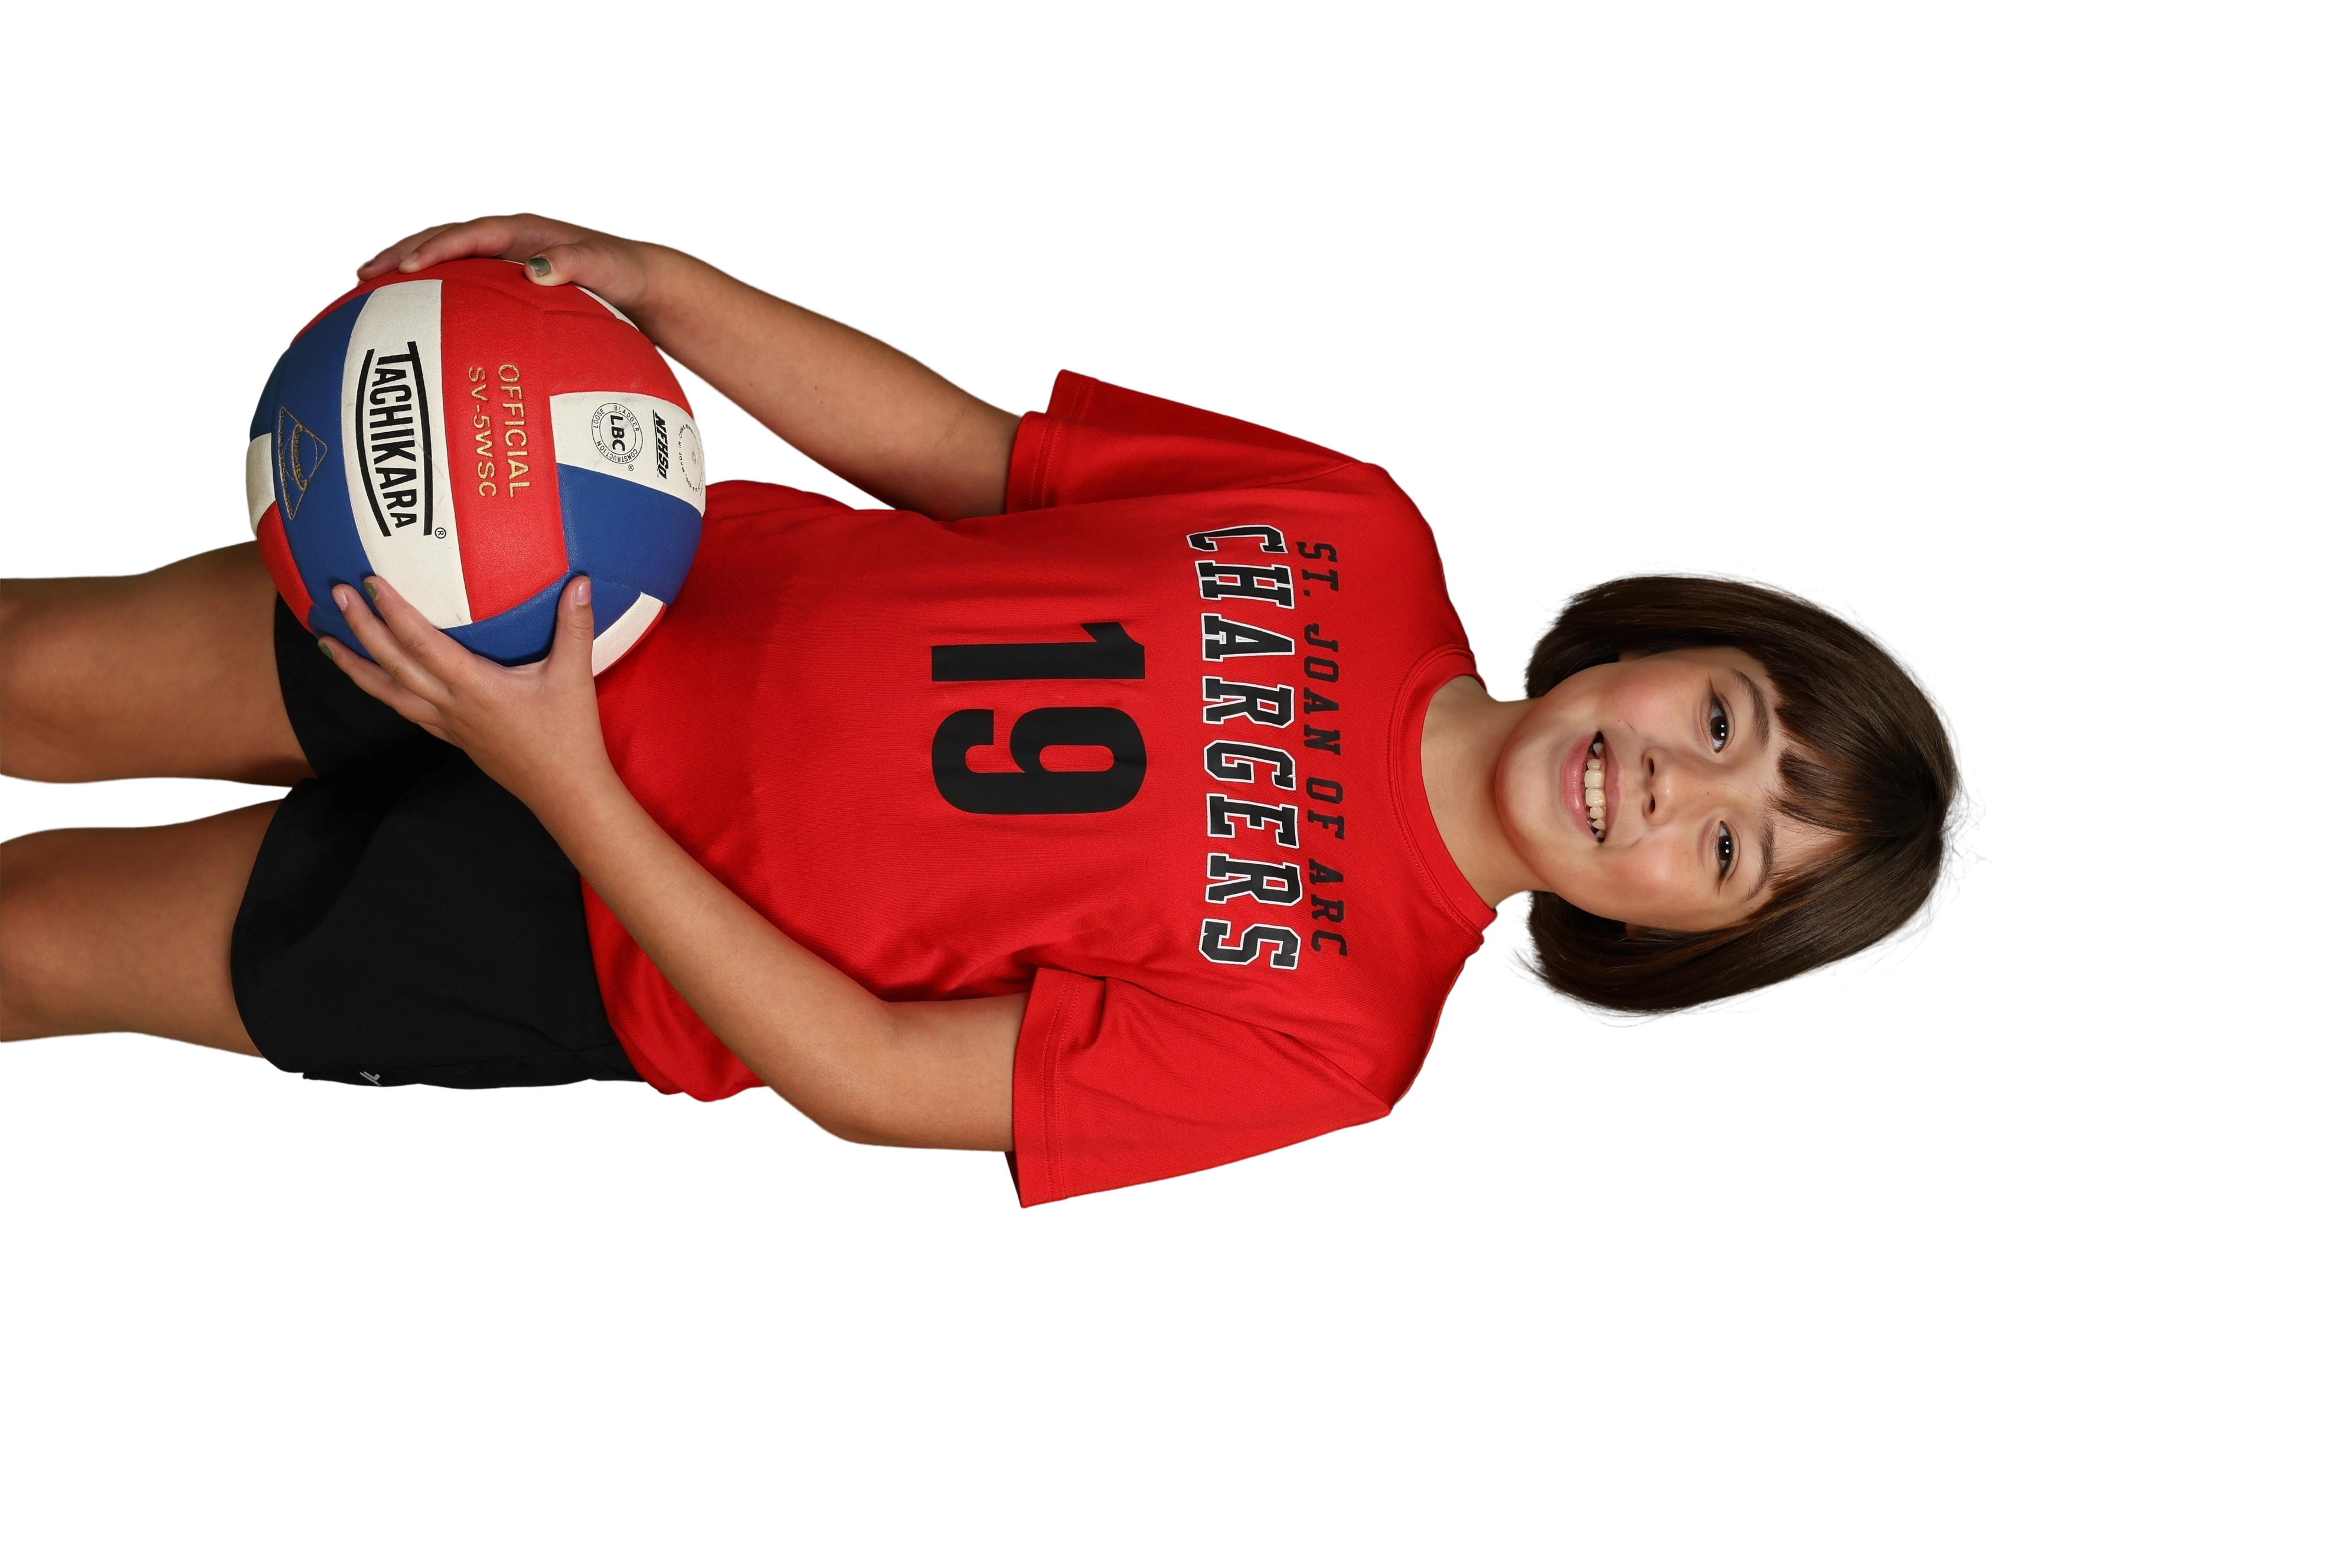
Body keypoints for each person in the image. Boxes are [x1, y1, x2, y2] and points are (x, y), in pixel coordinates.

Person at [0, 214, 1986, 1208]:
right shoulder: (1360, 531)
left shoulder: (1344, 1041)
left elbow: (876, 1078)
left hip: (581, 942)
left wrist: (573, 791)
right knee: (38, 674)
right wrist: (661, 289)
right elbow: (966, 458)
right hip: (583, 590)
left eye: (1731, 848)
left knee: (30, 942)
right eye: (1727, 718)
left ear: (1667, 939)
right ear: (1664, 638)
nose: (1672, 785)